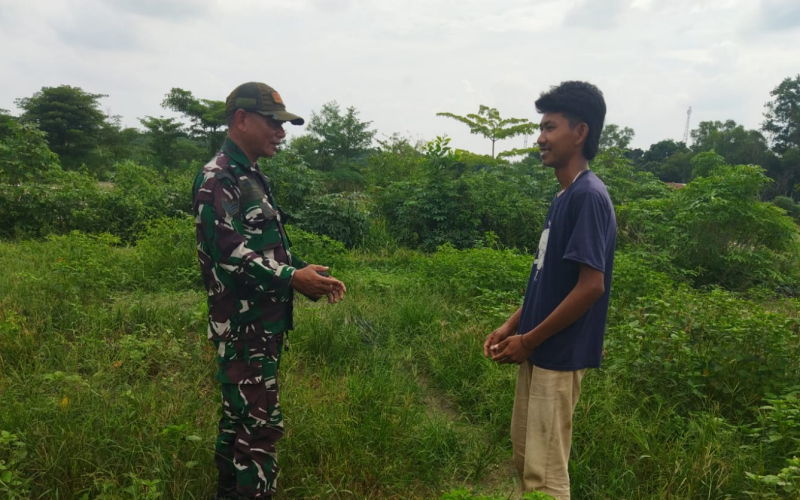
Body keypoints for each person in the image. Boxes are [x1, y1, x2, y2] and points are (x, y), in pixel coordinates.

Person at [192, 82, 347, 500]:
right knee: (258, 430)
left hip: (260, 329)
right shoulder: (218, 177)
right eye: (273, 122)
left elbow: (264, 249)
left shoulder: (250, 176)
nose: (282, 132)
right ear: (241, 120)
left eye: (284, 124)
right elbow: (228, 251)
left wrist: (299, 269)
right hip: (243, 329)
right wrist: (292, 279)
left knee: (238, 424)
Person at [483, 81, 615, 500]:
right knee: (527, 459)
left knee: (546, 476)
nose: (540, 138)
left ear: (580, 133)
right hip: (539, 349)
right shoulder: (564, 195)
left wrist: (530, 339)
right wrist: (511, 327)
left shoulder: (588, 197)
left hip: (558, 355)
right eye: (540, 127)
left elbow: (591, 286)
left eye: (550, 127)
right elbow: (548, 280)